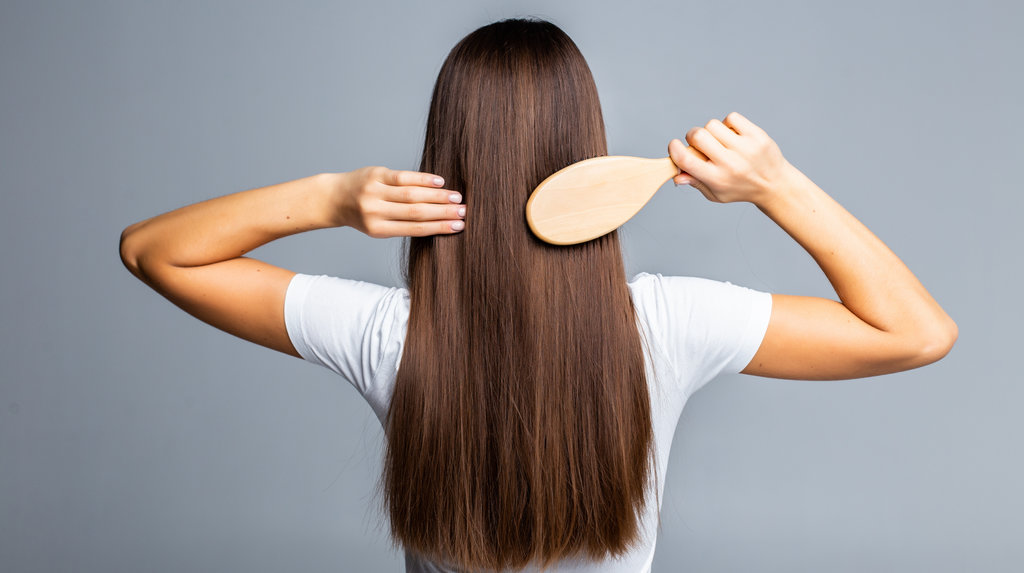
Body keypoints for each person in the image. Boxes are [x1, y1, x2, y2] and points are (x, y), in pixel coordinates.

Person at [118, 17, 957, 573]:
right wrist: (777, 184)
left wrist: (334, 197)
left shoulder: (392, 334)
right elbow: (915, 333)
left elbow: (155, 253)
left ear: (446, 152)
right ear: (584, 148)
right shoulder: (665, 324)